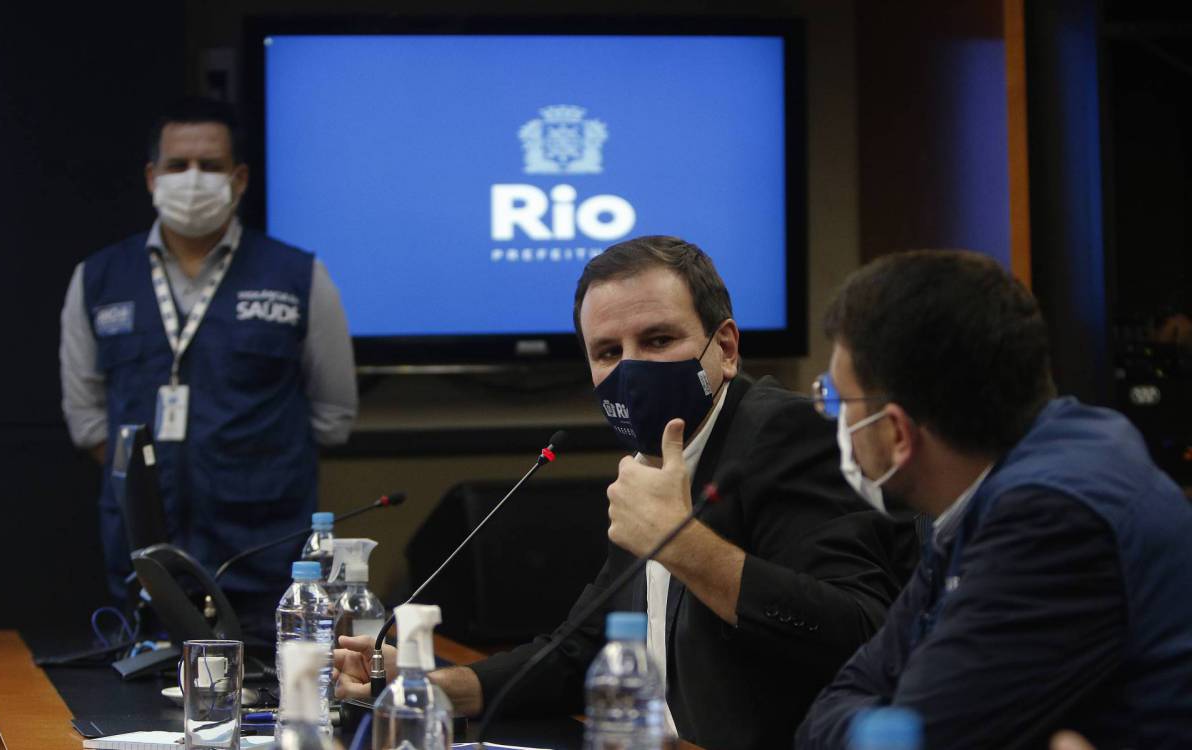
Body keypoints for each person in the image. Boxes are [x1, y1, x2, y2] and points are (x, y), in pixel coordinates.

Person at [336, 236, 916, 749]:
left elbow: (860, 629)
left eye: (658, 339)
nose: (632, 370)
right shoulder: (647, 462)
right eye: (608, 352)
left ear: (727, 348)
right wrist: (428, 686)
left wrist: (683, 544)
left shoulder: (781, 435)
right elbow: (580, 648)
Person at [795, 250, 1192, 748]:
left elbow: (919, 740)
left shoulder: (1052, 519)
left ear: (896, 431)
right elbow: (839, 703)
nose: (836, 418)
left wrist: (876, 722)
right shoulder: (1023, 471)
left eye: (838, 399)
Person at [59, 98, 358, 622]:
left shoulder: (299, 276)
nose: (193, 179)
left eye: (211, 166)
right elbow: (88, 421)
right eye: (178, 166)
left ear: (239, 178)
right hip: (145, 556)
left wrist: (251, 462)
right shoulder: (98, 278)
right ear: (152, 178)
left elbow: (332, 416)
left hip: (267, 559)